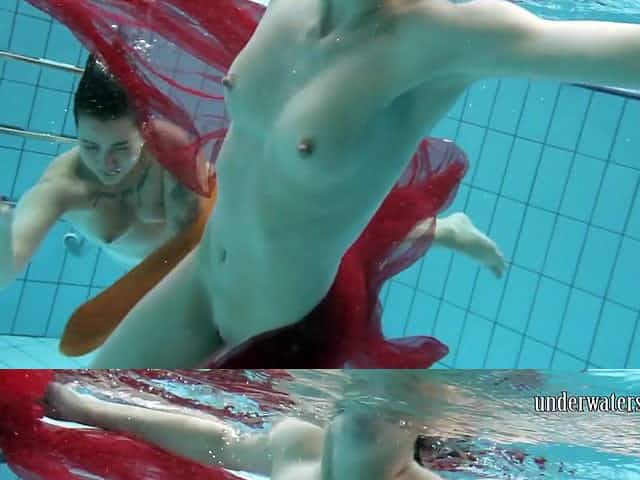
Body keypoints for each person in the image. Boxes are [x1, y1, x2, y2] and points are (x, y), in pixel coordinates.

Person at [28, 0, 640, 369]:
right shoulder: (289, 8)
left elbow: (616, 51)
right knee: (73, 416)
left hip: (289, 325)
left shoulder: (441, 36)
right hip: (202, 280)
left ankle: (437, 231)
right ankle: (438, 230)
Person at [0, 54, 206, 288]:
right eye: (90, 146)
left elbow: (190, 241)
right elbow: (9, 266)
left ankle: (83, 241)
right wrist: (4, 230)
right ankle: (84, 241)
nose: (106, 163)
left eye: (121, 147)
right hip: (135, 267)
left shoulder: (170, 150)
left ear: (144, 130)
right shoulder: (63, 186)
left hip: (174, 265)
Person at [44, 382, 445, 480]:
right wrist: (88, 410)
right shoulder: (299, 446)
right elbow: (217, 443)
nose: (372, 408)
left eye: (392, 411)